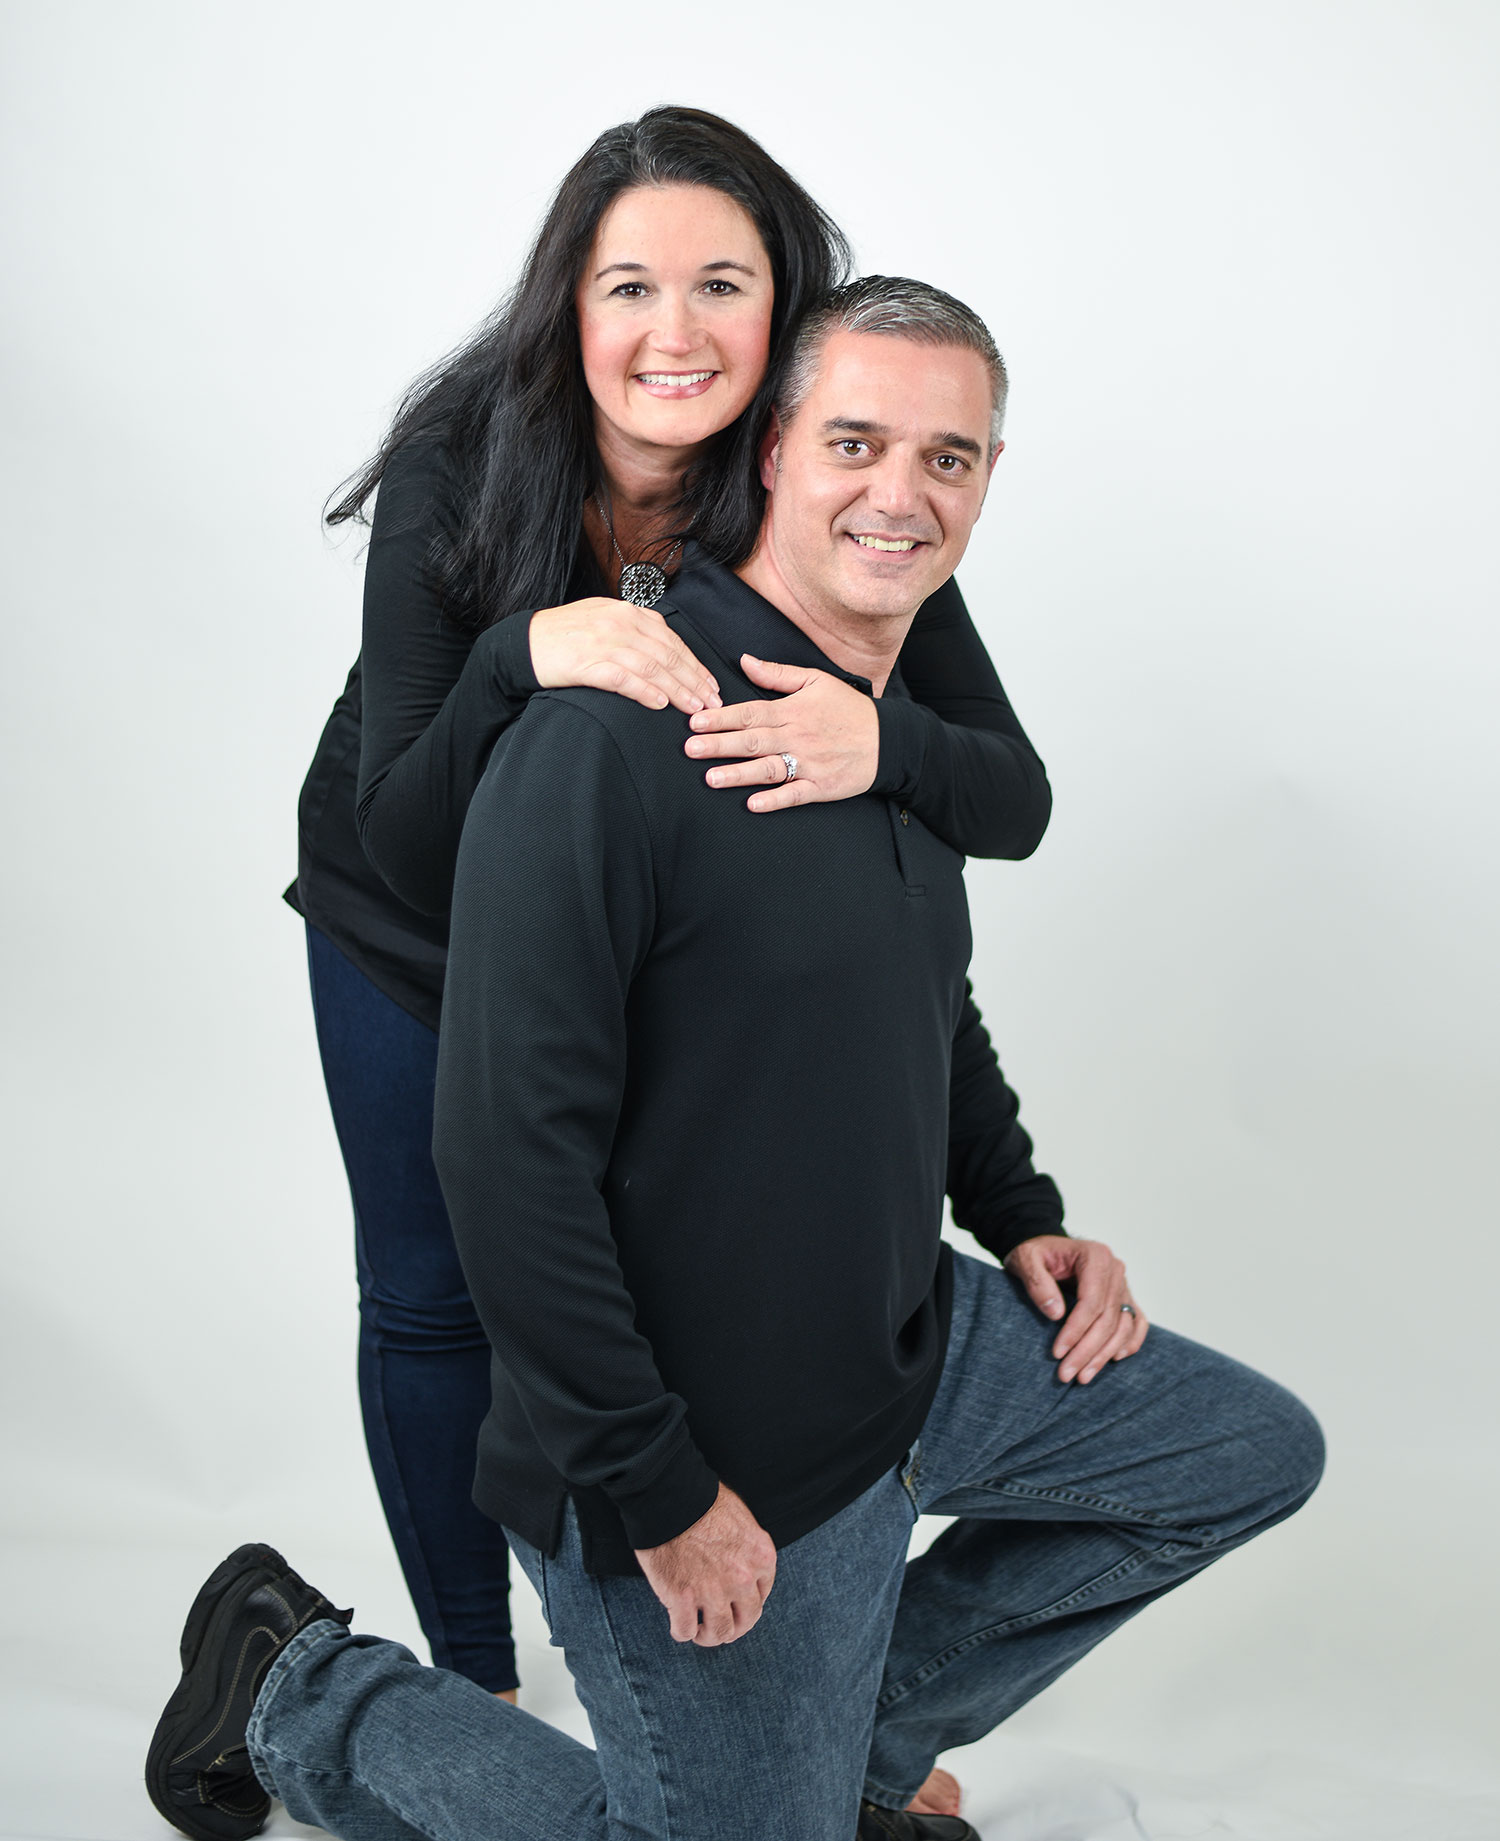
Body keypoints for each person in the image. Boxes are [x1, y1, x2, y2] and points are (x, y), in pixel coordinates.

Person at [151, 278, 1323, 1841]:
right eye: (855, 442)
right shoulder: (605, 742)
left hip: (904, 1352)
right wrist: (658, 1489)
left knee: (1245, 1449)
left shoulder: (881, 731)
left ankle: (843, 1751)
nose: (900, 493)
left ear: (989, 479)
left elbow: (922, 998)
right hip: (700, 1440)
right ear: (772, 450)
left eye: (949, 457)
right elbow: (506, 1164)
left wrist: (1024, 1214)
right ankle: (301, 1686)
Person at [287, 107, 1052, 1703]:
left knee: (640, 1271)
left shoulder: (815, 467)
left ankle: (768, 1686)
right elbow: (411, 839)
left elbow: (1007, 796)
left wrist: (881, 743)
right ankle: (475, 1679)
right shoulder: (460, 461)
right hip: (410, 922)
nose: (676, 333)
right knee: (435, 1294)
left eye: (724, 285)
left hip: (642, 936)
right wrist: (523, 653)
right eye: (630, 286)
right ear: (569, 304)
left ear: (784, 312)